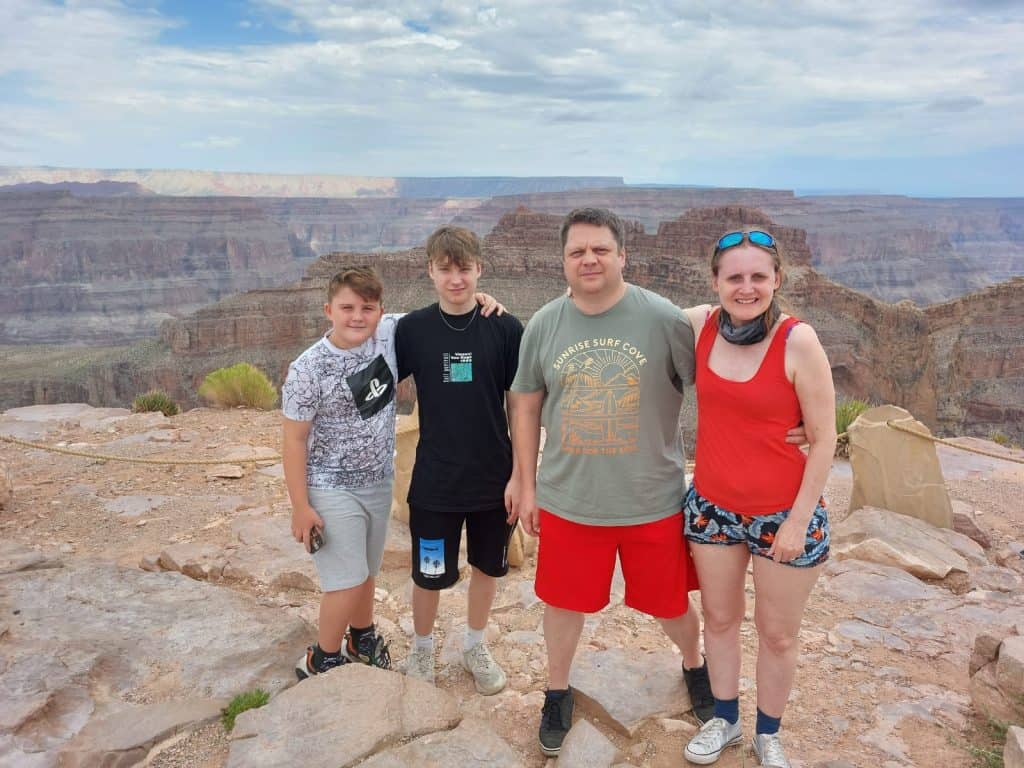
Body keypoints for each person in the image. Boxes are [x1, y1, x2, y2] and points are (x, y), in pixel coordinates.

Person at [509, 207, 712, 757]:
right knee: (562, 602)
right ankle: (556, 690)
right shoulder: (545, 324)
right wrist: (523, 482)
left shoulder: (663, 319)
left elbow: (720, 382)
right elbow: (525, 406)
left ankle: (696, 666)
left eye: (600, 249)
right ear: (563, 262)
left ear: (624, 255)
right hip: (570, 498)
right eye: (577, 252)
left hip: (652, 498)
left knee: (671, 603)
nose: (589, 259)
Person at [283, 265, 502, 679]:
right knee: (345, 580)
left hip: (378, 481)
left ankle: (361, 636)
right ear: (329, 310)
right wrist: (300, 506)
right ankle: (323, 657)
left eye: (367, 308)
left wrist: (484, 301)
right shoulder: (307, 369)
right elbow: (293, 441)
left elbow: (450, 311)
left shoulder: (391, 332)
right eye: (346, 308)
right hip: (329, 486)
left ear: (381, 311)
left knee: (366, 571)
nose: (357, 317)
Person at [680, 229, 836, 768]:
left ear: (777, 280)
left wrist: (796, 523)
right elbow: (617, 307)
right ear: (716, 282)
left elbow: (824, 439)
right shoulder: (699, 324)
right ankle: (724, 719)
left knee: (777, 633)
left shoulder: (798, 341)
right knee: (719, 621)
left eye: (758, 277)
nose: (746, 288)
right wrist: (489, 301)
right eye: (735, 277)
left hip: (783, 513)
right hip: (713, 509)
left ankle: (768, 733)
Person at [395, 225, 524, 695]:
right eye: (445, 269)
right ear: (430, 270)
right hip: (435, 486)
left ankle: (474, 645)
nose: (456, 279)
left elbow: (520, 404)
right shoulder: (411, 330)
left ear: (479, 270)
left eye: (464, 269)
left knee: (488, 569)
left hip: (493, 481)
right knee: (429, 575)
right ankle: (423, 650)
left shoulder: (505, 328)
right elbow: (366, 339)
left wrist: (522, 476)